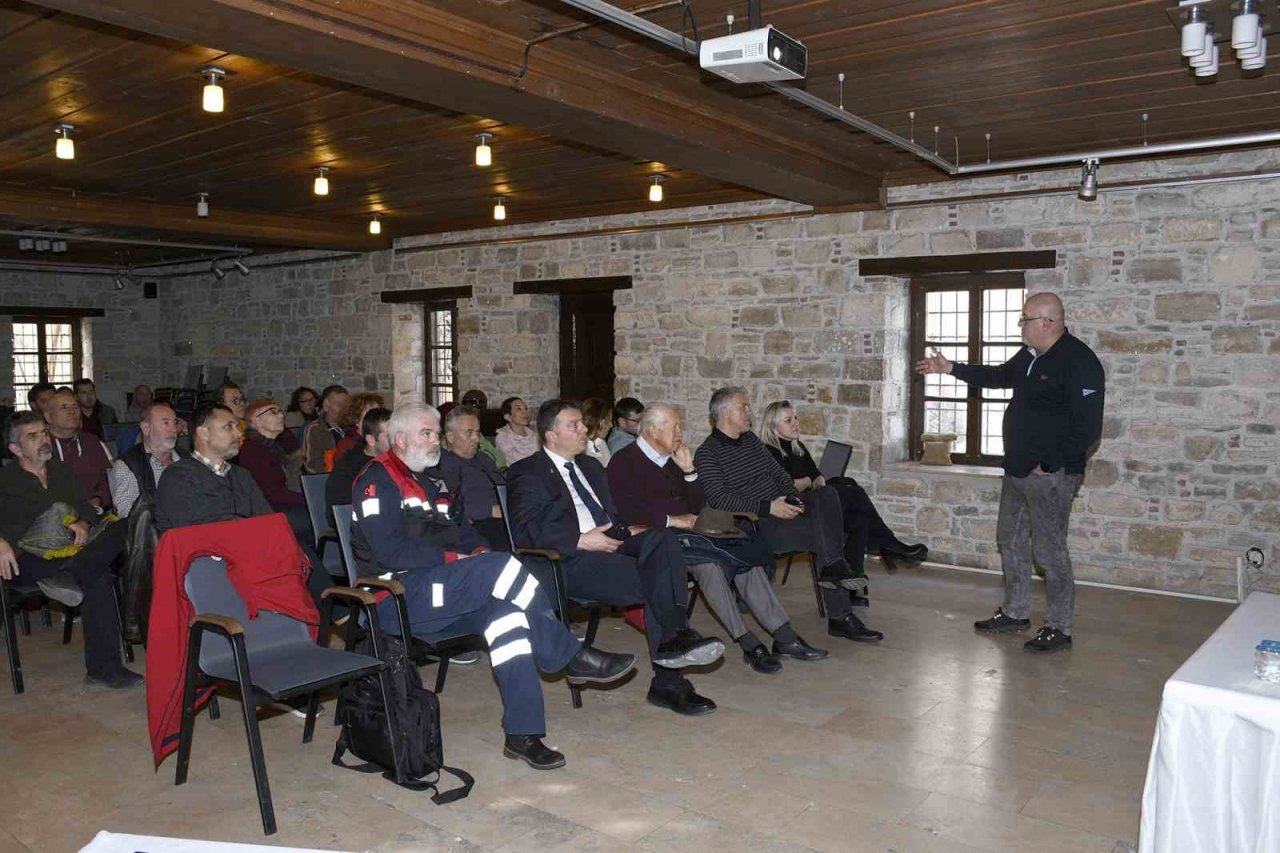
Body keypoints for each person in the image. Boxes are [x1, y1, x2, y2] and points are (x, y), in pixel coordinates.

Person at [351, 401, 636, 770]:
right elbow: (391, 551)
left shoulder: (433, 479)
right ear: (400, 439)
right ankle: (565, 655)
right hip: (397, 598)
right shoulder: (377, 481)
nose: (435, 441)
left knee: (508, 616)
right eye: (427, 433)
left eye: (436, 434)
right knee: (500, 565)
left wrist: (477, 554)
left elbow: (464, 532)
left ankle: (523, 733)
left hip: (444, 591)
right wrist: (465, 563)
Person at [508, 399, 726, 716]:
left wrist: (631, 531)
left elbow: (617, 515)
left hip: (613, 541)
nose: (584, 428)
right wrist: (581, 539)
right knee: (659, 577)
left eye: (582, 422)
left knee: (663, 541)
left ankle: (675, 642)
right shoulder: (527, 471)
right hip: (569, 559)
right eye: (574, 425)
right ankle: (670, 677)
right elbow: (526, 530)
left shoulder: (592, 467)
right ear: (551, 435)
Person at [916, 292, 1105, 653]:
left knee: (1049, 553)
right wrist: (951, 368)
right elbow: (999, 376)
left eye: (1026, 320)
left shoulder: (1079, 361)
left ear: (1048, 323)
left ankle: (1059, 627)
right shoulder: (1031, 355)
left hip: (1051, 475)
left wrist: (1048, 463)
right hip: (1017, 469)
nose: (1021, 325)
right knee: (1010, 541)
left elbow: (1088, 429)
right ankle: (1016, 612)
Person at [608, 403, 828, 673]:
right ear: (653, 430)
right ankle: (747, 641)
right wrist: (672, 520)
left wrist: (689, 471)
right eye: (674, 427)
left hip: (692, 534)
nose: (680, 432)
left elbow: (700, 505)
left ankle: (783, 635)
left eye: (680, 426)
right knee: (709, 566)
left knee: (741, 553)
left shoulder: (674, 459)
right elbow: (625, 511)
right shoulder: (624, 461)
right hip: (656, 541)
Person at [695, 387, 884, 644]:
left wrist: (792, 499)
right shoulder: (708, 453)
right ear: (725, 413)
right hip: (756, 522)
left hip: (782, 506)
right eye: (744, 407)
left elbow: (779, 475)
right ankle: (841, 615)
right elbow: (719, 499)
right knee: (828, 537)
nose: (749, 411)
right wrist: (769, 507)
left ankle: (835, 572)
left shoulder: (750, 440)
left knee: (827, 495)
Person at [0, 412, 140, 688]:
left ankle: (74, 573)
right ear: (15, 449)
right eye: (33, 436)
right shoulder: (5, 480)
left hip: (71, 552)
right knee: (99, 576)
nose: (43, 439)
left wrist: (84, 521)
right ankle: (103, 669)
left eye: (44, 433)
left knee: (126, 524)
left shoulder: (62, 472)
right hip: (26, 558)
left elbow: (86, 505)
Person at [759, 401, 928, 577]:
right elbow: (789, 487)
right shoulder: (769, 452)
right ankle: (889, 544)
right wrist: (812, 483)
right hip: (795, 509)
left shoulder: (797, 447)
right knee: (853, 491)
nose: (795, 422)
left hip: (816, 503)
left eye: (795, 417)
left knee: (859, 517)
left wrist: (818, 488)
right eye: (788, 420)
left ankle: (854, 584)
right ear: (773, 426)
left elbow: (818, 477)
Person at [426, 405, 508, 550]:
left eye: (477, 432)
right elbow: (445, 505)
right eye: (469, 433)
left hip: (506, 516)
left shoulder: (484, 459)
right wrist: (489, 510)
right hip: (479, 525)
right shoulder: (441, 465)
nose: (476, 439)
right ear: (450, 437)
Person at [237, 399, 312, 545]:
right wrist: (308, 499)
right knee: (316, 518)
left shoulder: (272, 447)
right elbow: (271, 493)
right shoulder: (252, 451)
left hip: (277, 505)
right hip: (266, 511)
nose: (280, 416)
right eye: (273, 412)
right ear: (256, 420)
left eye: (280, 412)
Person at [109, 403, 184, 517]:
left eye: (175, 422)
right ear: (146, 428)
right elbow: (129, 517)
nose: (174, 429)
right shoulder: (128, 465)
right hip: (151, 532)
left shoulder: (186, 458)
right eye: (165, 423)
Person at [47, 389, 114, 515]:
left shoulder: (92, 442)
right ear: (48, 416)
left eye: (75, 407)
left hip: (94, 515)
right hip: (54, 518)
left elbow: (108, 480)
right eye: (64, 407)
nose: (72, 411)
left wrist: (98, 499)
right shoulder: (40, 446)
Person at [326, 407, 390, 522]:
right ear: (371, 440)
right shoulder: (350, 466)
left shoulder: (402, 460)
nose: (397, 440)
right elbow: (341, 512)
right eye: (389, 436)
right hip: (358, 524)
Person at [302, 384, 348, 473]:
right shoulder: (316, 429)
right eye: (339, 404)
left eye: (346, 405)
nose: (343, 409)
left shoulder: (351, 427)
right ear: (326, 406)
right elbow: (312, 465)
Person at [331, 392, 386, 464]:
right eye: (370, 414)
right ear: (356, 418)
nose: (376, 418)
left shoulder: (382, 437)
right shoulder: (347, 444)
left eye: (378, 413)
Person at [494, 396, 537, 465]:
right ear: (508, 417)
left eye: (525, 408)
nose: (524, 412)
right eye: (519, 409)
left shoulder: (535, 435)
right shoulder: (502, 438)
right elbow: (517, 461)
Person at [578, 398, 613, 466]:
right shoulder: (580, 447)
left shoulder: (601, 443)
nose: (611, 425)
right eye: (609, 421)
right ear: (601, 422)